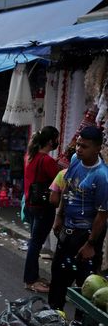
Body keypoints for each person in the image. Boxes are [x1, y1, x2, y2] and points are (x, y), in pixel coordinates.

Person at [49, 126, 108, 313]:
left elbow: (102, 214)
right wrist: (59, 216)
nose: (79, 149)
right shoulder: (75, 160)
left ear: (98, 148)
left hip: (87, 234)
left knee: (85, 283)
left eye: (85, 146)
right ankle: (53, 318)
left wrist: (91, 244)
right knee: (58, 275)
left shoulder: (102, 176)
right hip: (68, 229)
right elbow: (68, 188)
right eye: (78, 145)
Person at [22, 126, 60, 293]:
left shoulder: (30, 156)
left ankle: (34, 277)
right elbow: (59, 180)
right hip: (43, 208)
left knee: (34, 242)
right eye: (56, 138)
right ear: (51, 141)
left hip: (31, 205)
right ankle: (30, 280)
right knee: (35, 244)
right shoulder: (46, 161)